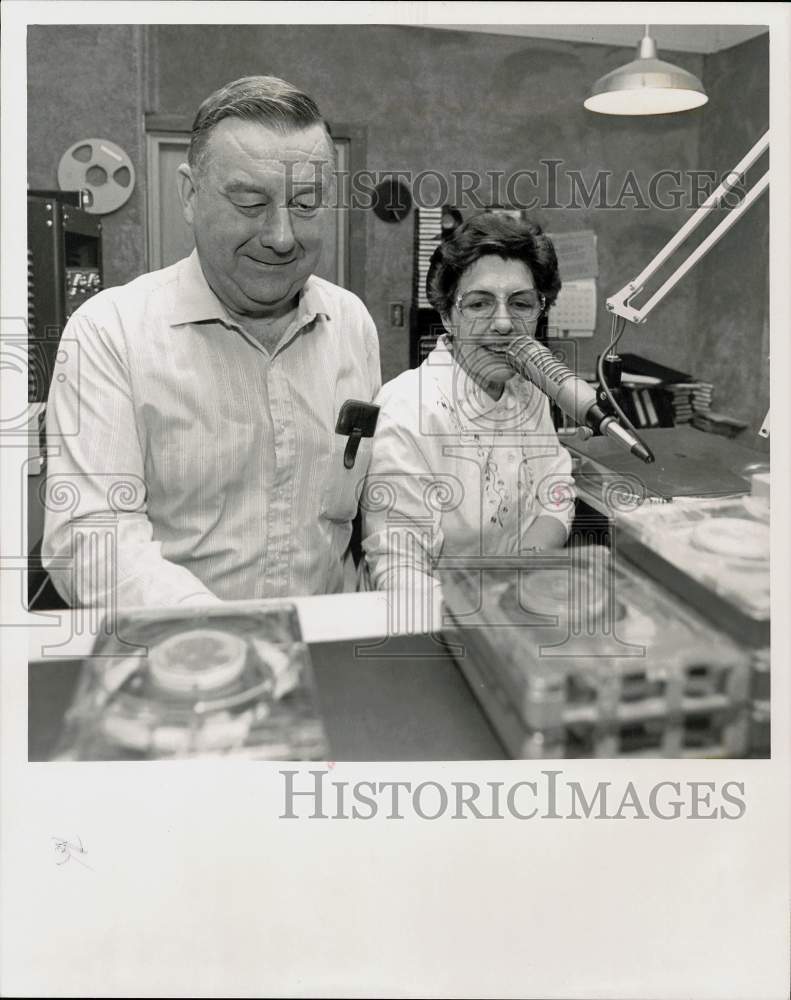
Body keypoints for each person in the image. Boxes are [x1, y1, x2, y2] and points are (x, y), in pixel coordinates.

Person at [43, 76, 381, 607]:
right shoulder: (110, 333)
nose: (282, 236)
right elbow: (90, 538)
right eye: (250, 202)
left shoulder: (353, 324)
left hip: (328, 654)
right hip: (178, 659)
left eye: (307, 203)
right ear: (189, 195)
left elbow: (360, 511)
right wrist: (226, 636)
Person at [362, 213, 574, 594]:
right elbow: (400, 569)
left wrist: (519, 572)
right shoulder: (409, 410)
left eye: (522, 304)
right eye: (479, 304)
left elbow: (555, 488)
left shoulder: (529, 388)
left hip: (512, 605)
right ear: (447, 315)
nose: (505, 323)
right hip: (437, 622)